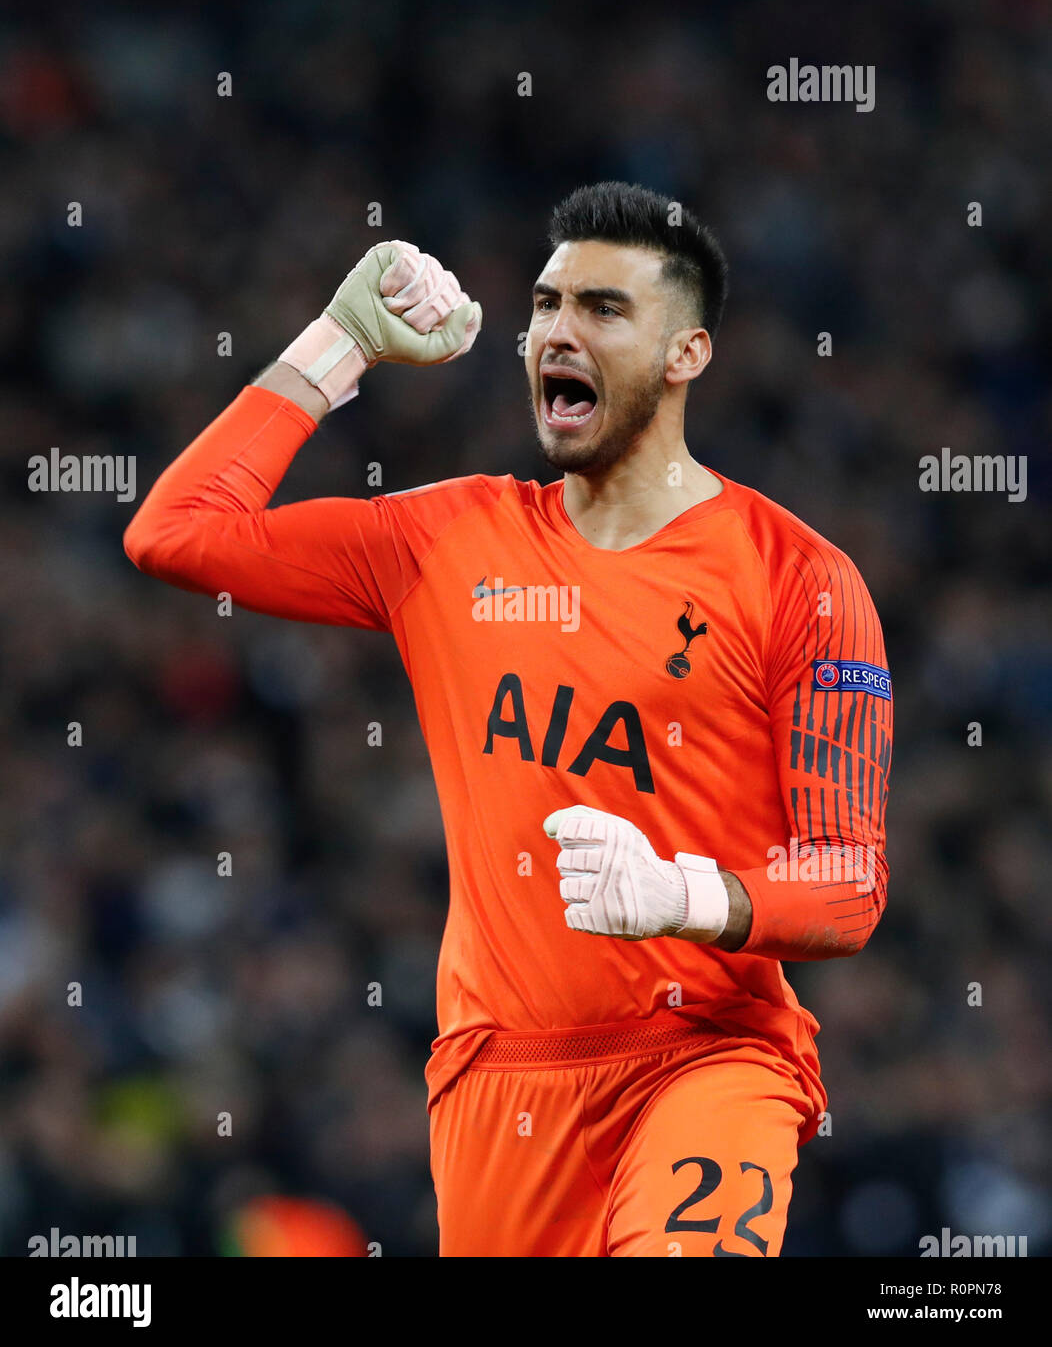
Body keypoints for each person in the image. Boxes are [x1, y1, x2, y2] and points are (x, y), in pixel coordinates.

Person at [124, 180, 893, 1257]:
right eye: (545, 304)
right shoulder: (446, 542)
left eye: (603, 309)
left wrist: (678, 894)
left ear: (687, 355)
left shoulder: (798, 580)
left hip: (707, 1055)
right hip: (496, 1082)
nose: (556, 332)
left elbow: (849, 884)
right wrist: (337, 343)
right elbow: (178, 534)